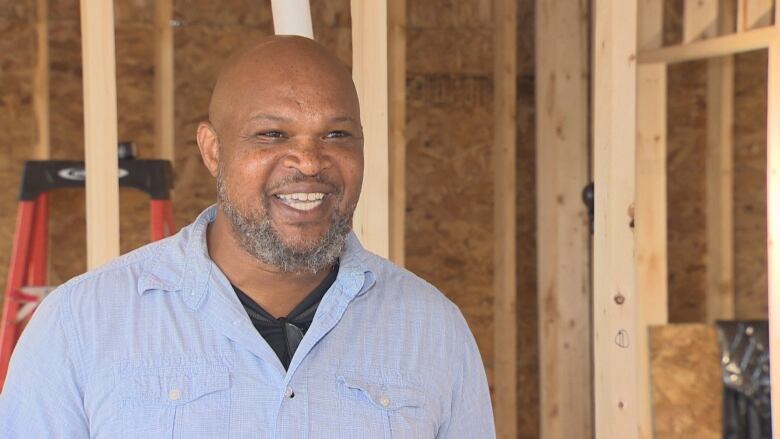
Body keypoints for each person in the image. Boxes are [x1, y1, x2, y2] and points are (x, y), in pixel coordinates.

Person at [0, 36, 495, 438]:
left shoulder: (434, 332)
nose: (309, 161)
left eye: (336, 135)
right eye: (272, 135)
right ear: (213, 150)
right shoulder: (79, 326)